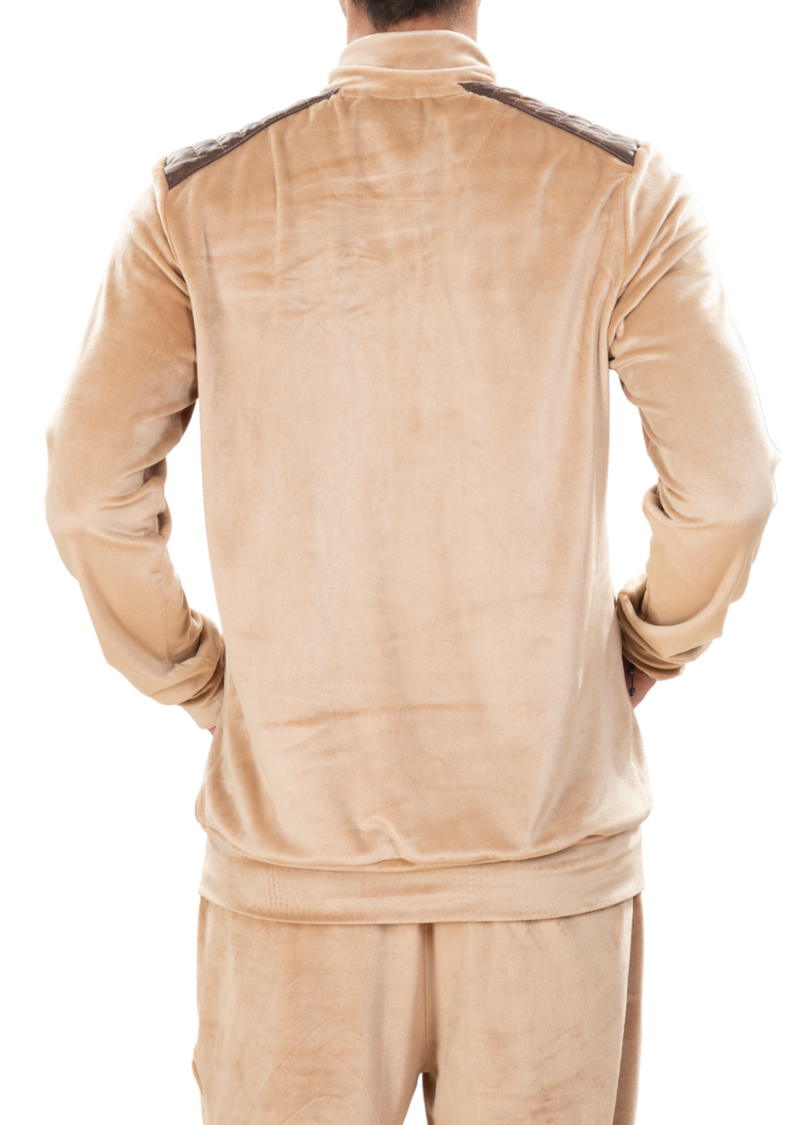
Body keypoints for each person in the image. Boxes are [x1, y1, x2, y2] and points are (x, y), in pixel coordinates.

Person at [43, 0, 779, 1121]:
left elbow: (89, 491)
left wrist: (203, 682)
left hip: (295, 863)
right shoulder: (620, 188)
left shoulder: (194, 201)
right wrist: (641, 646)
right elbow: (728, 483)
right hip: (545, 867)